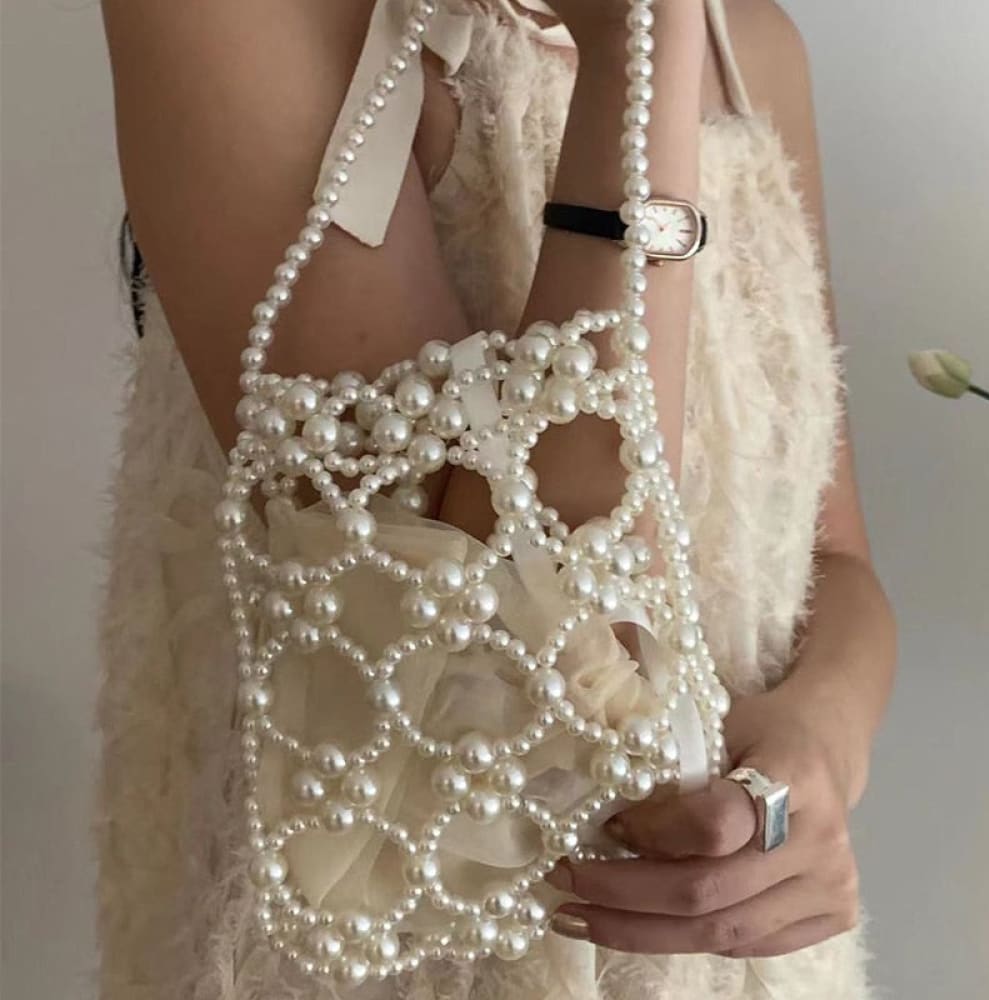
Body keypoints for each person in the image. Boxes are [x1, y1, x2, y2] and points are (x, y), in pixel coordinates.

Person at [97, 1, 896, 997]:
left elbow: (833, 562)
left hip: (737, 954)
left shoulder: (753, 44)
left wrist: (816, 751)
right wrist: (637, 50)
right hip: (398, 957)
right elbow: (478, 649)